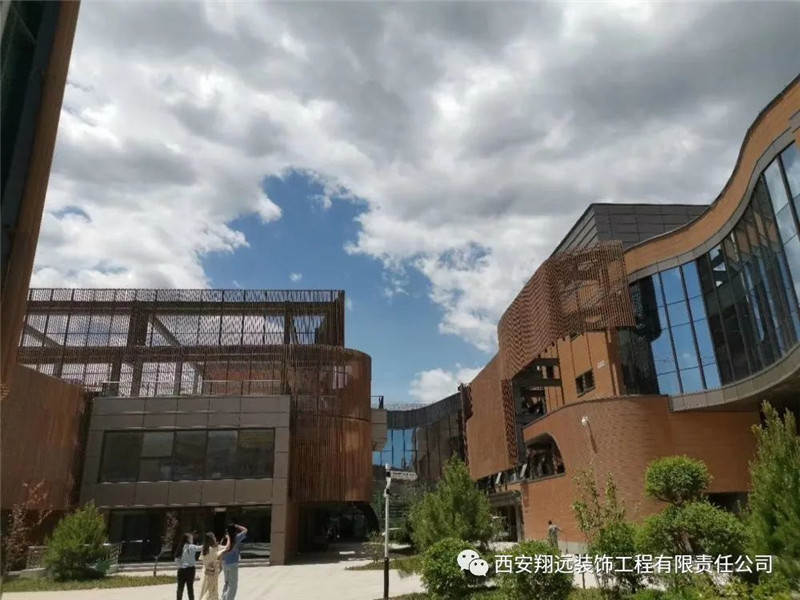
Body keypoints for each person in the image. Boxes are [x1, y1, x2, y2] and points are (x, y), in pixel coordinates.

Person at [219, 523, 247, 600]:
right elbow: (245, 530)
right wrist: (237, 526)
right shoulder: (236, 537)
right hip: (233, 563)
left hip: (224, 563)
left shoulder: (224, 539)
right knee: (233, 585)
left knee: (227, 582)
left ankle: (224, 597)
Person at [175, 533, 203, 600]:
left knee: (180, 588)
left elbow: (176, 559)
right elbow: (200, 548)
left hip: (181, 570)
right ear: (188, 539)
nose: (192, 539)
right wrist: (208, 543)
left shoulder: (180, 547)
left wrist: (181, 565)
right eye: (191, 538)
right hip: (190, 570)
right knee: (190, 588)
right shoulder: (191, 546)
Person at [198, 532, 222, 600]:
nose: (215, 538)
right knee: (211, 591)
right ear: (212, 538)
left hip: (206, 571)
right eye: (214, 536)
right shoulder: (212, 549)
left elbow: (201, 560)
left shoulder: (205, 548)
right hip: (212, 571)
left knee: (205, 589)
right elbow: (217, 558)